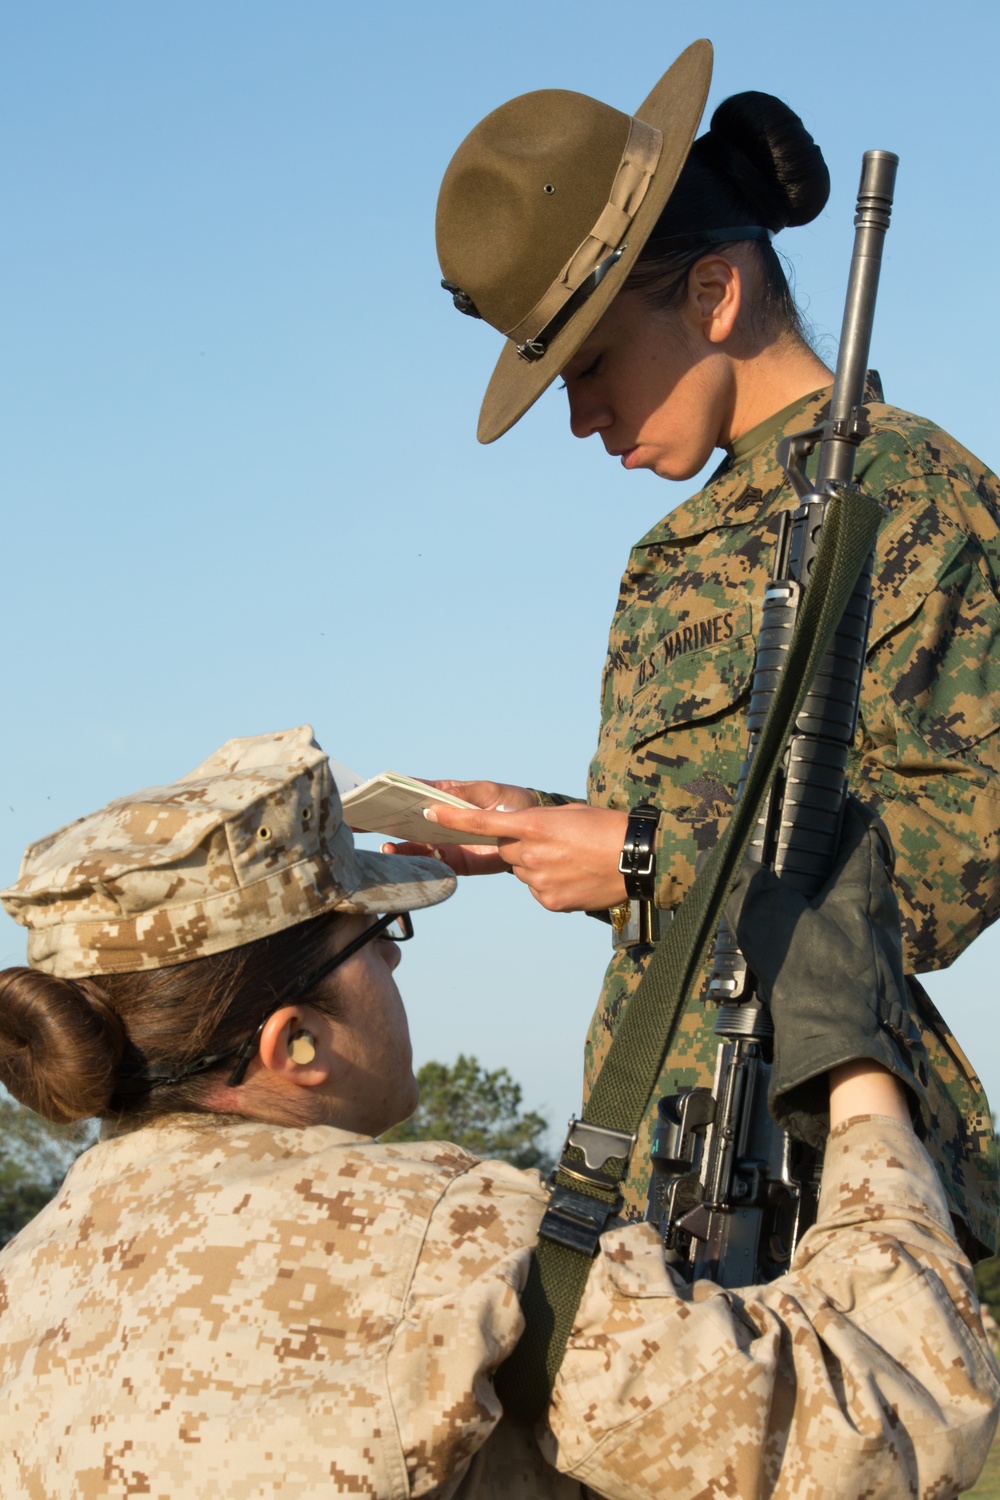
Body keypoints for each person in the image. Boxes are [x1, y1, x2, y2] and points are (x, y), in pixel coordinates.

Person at [0, 724, 996, 1498]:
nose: (393, 959)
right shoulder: (446, 1239)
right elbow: (894, 1420)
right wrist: (857, 1065)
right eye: (379, 933)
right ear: (292, 1043)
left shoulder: (22, 1286)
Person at [386, 39, 1000, 1253]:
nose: (579, 417)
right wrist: (536, 825)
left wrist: (638, 852)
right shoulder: (677, 549)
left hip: (818, 1174)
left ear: (713, 294)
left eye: (593, 362)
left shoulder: (915, 498)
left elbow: (949, 864)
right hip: (647, 1158)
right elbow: (712, 841)